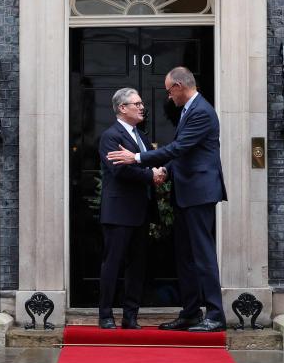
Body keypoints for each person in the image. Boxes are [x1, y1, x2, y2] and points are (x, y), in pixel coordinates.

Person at [106, 67, 227, 332]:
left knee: (203, 255)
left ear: (180, 86)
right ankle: (191, 312)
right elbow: (181, 155)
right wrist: (159, 172)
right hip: (186, 193)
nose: (169, 97)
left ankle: (216, 315)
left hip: (198, 193)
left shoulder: (202, 111)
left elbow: (179, 148)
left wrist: (137, 158)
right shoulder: (189, 110)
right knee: (184, 255)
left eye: (169, 90)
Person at [97, 88, 165, 329]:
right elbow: (120, 169)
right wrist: (150, 176)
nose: (141, 106)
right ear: (122, 108)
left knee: (137, 266)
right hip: (118, 212)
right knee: (113, 264)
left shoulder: (141, 136)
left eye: (141, 102)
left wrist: (161, 171)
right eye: (136, 103)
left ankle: (130, 316)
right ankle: (105, 315)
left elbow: (152, 161)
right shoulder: (110, 136)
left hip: (141, 210)